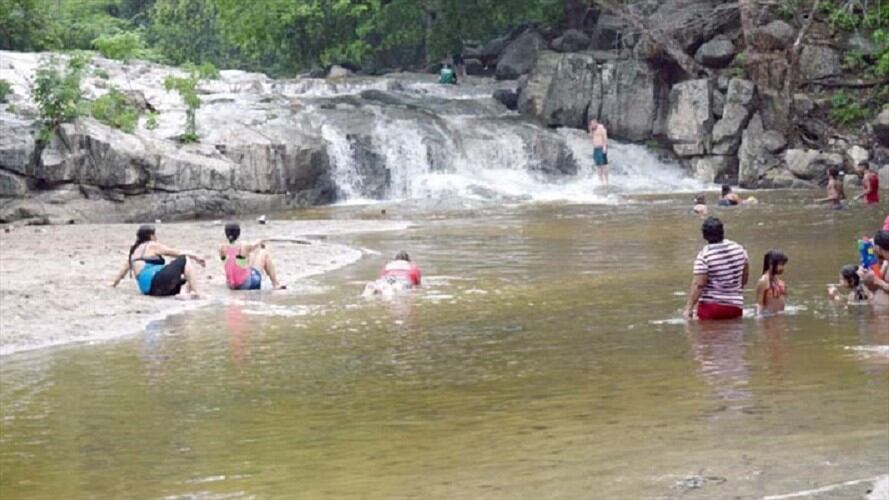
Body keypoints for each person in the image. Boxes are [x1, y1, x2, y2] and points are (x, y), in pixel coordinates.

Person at [111, 225, 206, 297]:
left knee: (185, 278)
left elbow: (121, 274)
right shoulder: (152, 245)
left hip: (148, 290)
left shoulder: (134, 252)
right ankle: (196, 292)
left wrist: (112, 285)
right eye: (154, 234)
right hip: (156, 281)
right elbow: (178, 253)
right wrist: (196, 256)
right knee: (185, 259)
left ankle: (184, 294)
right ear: (151, 236)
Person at [684, 217, 750, 320]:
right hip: (736, 306)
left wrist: (689, 308)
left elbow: (699, 285)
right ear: (722, 232)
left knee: (707, 335)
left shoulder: (704, 256)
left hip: (711, 308)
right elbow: (744, 277)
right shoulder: (739, 249)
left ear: (704, 235)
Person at [219, 222, 285, 290]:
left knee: (246, 259)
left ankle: (240, 278)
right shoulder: (244, 246)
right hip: (247, 285)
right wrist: (262, 241)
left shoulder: (221, 248)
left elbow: (230, 261)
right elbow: (256, 244)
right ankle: (276, 284)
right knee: (264, 253)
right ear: (239, 234)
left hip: (231, 286)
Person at [861, 230, 889, 307]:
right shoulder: (885, 263)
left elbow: (880, 283)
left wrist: (879, 282)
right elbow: (874, 288)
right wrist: (867, 279)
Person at [756, 250, 788, 315]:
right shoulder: (763, 281)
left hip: (780, 318)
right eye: (780, 264)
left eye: (783, 264)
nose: (782, 268)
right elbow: (759, 305)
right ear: (771, 264)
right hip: (769, 320)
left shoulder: (781, 282)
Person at [589, 119, 609, 185]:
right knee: (598, 165)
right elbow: (591, 138)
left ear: (596, 123)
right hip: (596, 148)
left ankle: (606, 181)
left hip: (602, 147)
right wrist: (591, 130)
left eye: (593, 124)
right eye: (591, 124)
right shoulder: (592, 129)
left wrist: (604, 147)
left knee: (604, 165)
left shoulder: (601, 127)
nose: (592, 125)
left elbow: (605, 137)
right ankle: (601, 181)